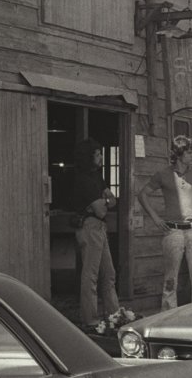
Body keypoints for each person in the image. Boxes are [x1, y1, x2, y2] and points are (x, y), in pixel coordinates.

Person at [136, 135, 192, 310]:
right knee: (170, 280)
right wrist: (155, 218)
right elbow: (142, 194)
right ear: (179, 154)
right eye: (189, 153)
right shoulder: (163, 174)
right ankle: (168, 317)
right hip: (173, 232)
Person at [73, 138, 120, 329]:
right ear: (89, 156)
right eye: (97, 154)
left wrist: (105, 201)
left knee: (109, 274)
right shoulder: (83, 179)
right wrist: (106, 201)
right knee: (90, 275)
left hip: (100, 227)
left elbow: (113, 200)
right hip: (90, 227)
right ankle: (91, 319)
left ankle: (115, 316)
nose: (101, 157)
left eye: (101, 153)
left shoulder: (96, 177)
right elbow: (101, 210)